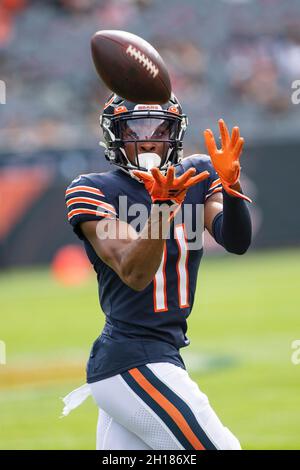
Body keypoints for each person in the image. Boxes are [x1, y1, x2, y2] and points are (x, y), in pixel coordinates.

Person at [64, 93, 252, 450]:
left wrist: (231, 187)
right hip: (132, 359)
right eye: (136, 130)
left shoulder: (195, 174)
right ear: (114, 135)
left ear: (175, 133)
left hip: (157, 355)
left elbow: (236, 240)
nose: (149, 139)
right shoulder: (93, 189)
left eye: (160, 128)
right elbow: (135, 273)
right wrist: (163, 207)